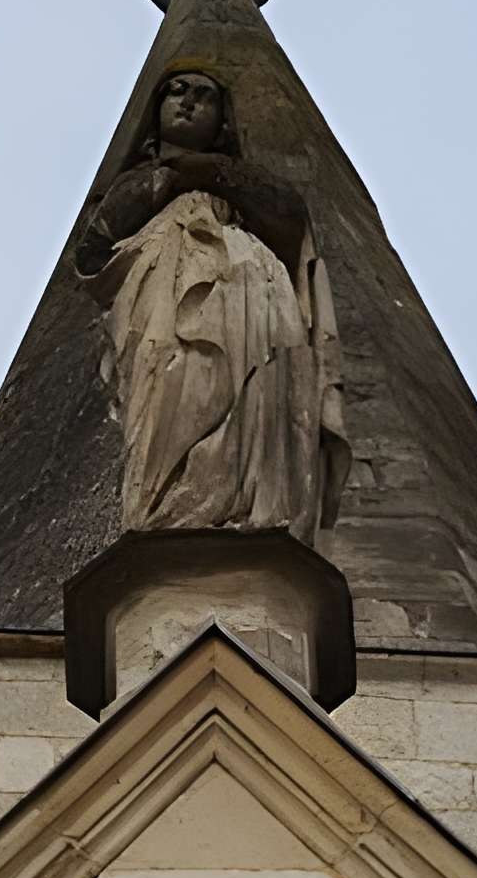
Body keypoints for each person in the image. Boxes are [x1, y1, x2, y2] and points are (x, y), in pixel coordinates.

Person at [75, 70, 349, 541]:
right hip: (161, 281)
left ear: (223, 120)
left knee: (257, 386)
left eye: (204, 97)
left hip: (248, 286)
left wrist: (208, 173)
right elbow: (96, 245)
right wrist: (178, 177)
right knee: (170, 376)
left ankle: (244, 507)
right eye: (176, 92)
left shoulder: (248, 186)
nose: (188, 103)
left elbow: (288, 215)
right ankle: (168, 507)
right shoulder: (140, 184)